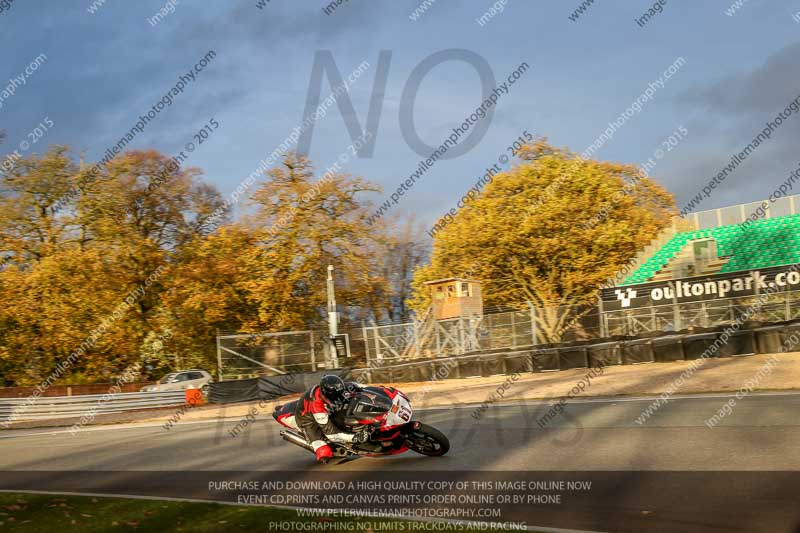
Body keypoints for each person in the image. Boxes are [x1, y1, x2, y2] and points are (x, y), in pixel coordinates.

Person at [294, 374, 370, 462]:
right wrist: (354, 437)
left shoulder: (336, 387)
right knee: (324, 452)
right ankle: (320, 446)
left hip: (325, 409)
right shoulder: (317, 407)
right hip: (307, 420)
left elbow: (359, 387)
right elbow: (331, 434)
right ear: (325, 394)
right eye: (334, 397)